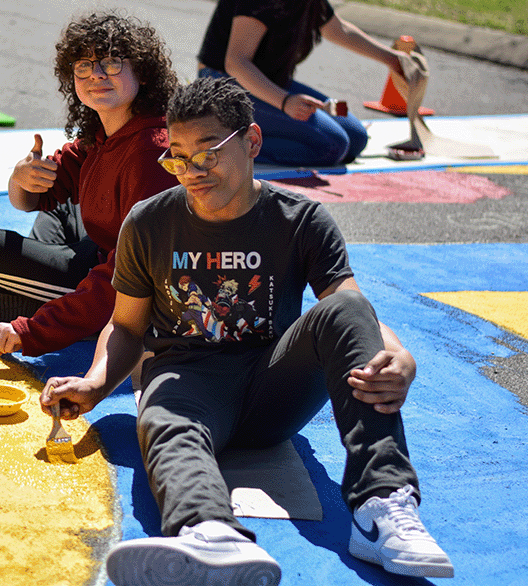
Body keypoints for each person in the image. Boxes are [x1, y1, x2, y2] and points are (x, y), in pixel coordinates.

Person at [41, 77, 454, 586]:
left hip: (273, 387)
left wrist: (400, 355)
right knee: (164, 418)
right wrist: (96, 383)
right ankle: (209, 533)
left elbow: (350, 305)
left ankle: (381, 505)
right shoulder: (148, 223)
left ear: (251, 141)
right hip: (187, 380)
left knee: (344, 309)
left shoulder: (300, 219)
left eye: (207, 153)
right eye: (177, 158)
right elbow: (126, 325)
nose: (192, 171)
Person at [0, 12, 180, 361]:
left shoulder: (151, 153)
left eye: (112, 63)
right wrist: (20, 177)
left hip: (129, 285)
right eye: (84, 66)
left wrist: (32, 330)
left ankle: (44, 307)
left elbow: (130, 273)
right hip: (101, 251)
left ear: (143, 73)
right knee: (60, 212)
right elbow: (34, 198)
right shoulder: (103, 133)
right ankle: (46, 297)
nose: (96, 74)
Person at [196, 0, 413, 166]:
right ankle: (225, 146)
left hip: (267, 81)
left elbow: (338, 30)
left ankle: (250, 137)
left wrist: (393, 60)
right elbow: (236, 62)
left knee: (356, 137)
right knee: (332, 145)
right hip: (223, 85)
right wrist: (284, 101)